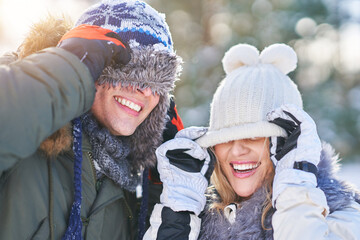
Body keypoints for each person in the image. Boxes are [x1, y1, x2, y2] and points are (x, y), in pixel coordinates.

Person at [0, 0, 184, 239]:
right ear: (91, 67)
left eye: (158, 83)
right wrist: (65, 75)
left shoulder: (133, 182)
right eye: (132, 73)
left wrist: (163, 190)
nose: (146, 92)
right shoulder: (25, 134)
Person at [144, 43, 360, 239]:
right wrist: (177, 217)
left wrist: (295, 194)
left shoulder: (341, 214)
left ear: (287, 143)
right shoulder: (201, 220)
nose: (237, 150)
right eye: (225, 139)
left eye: (254, 136)